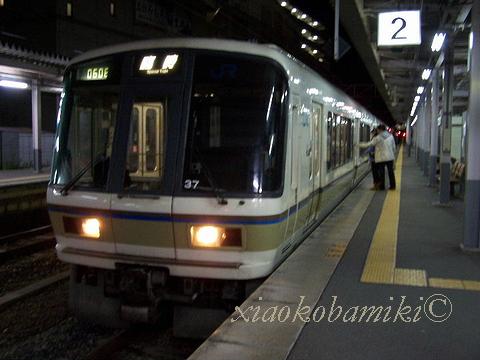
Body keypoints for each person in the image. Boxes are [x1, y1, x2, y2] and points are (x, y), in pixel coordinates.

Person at [358, 124, 396, 190]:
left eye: (378, 130)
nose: (377, 131)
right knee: (391, 172)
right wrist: (393, 157)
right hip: (390, 157)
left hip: (381, 158)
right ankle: (392, 186)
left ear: (380, 130)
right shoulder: (391, 136)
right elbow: (394, 148)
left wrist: (358, 144)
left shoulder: (378, 138)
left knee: (382, 173)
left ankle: (382, 187)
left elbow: (368, 144)